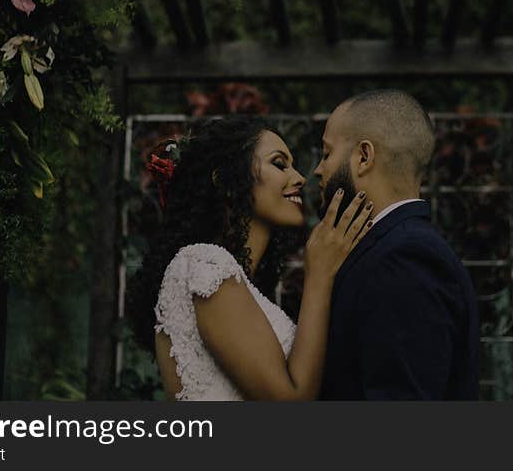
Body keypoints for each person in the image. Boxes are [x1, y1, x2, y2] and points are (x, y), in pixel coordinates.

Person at [128, 117, 373, 400]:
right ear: (227, 182)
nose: (300, 178)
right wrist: (318, 275)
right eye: (279, 164)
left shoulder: (235, 282)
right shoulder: (206, 265)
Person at [315, 90, 480, 399]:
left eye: (326, 154)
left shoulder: (404, 258)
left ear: (364, 157)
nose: (318, 170)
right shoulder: (394, 249)